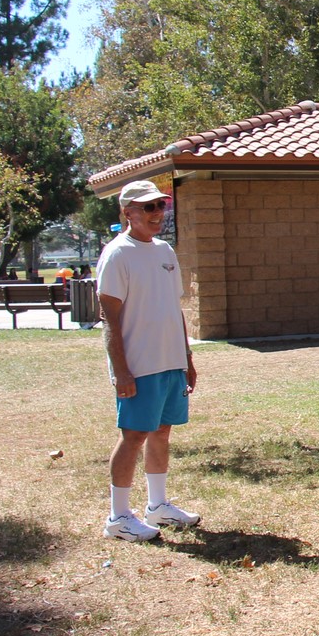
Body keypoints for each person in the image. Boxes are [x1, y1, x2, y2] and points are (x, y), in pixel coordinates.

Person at [95, 179, 201, 543]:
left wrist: (186, 357)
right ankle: (118, 517)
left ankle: (157, 506)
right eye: (148, 207)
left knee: (162, 431)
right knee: (134, 435)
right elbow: (109, 318)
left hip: (169, 361)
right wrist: (121, 370)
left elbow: (174, 308)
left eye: (161, 206)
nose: (158, 213)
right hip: (139, 365)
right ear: (128, 213)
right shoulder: (117, 254)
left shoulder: (165, 251)